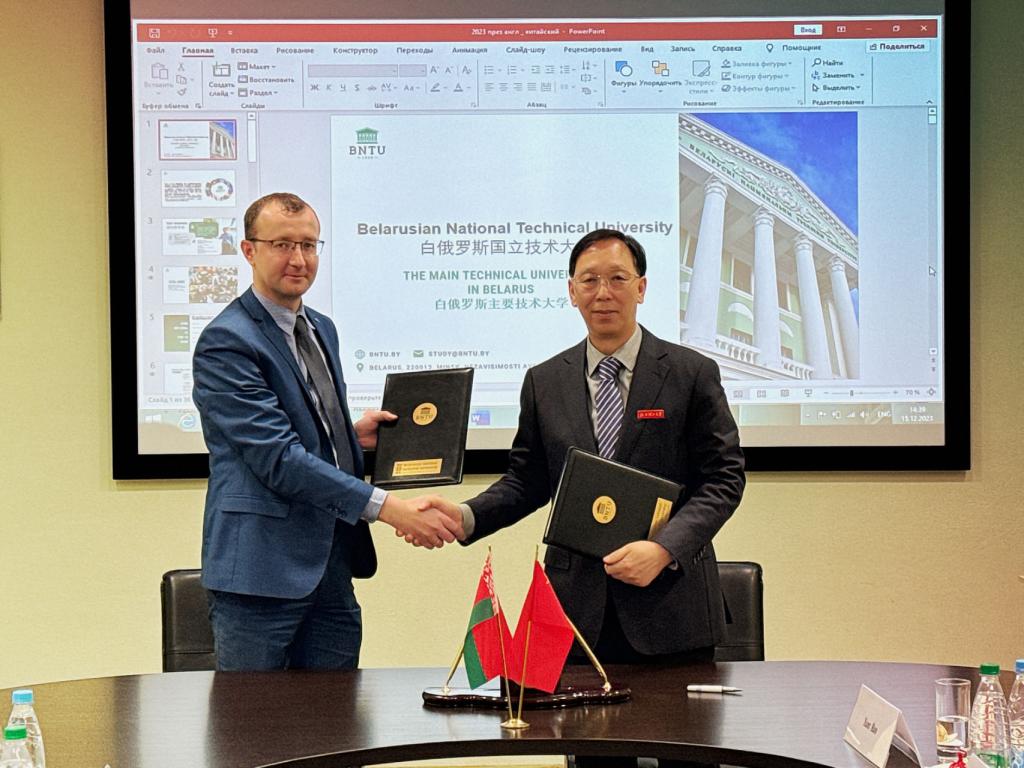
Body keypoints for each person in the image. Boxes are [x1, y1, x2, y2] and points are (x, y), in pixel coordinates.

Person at [420, 227, 745, 663]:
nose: (603, 293)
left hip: (671, 608)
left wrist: (665, 549)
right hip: (573, 611)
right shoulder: (544, 381)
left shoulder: (691, 373)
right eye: (590, 280)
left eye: (617, 278)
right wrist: (466, 516)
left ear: (641, 288)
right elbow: (528, 480)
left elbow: (723, 479)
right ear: (572, 292)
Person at [192, 192, 462, 671]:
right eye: (282, 244)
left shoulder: (321, 328)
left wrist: (350, 438)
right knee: (252, 719)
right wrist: (388, 508)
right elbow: (278, 458)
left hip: (332, 566)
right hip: (260, 574)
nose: (298, 259)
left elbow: (304, 428)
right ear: (249, 250)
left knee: (337, 714)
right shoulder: (227, 341)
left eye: (309, 245)